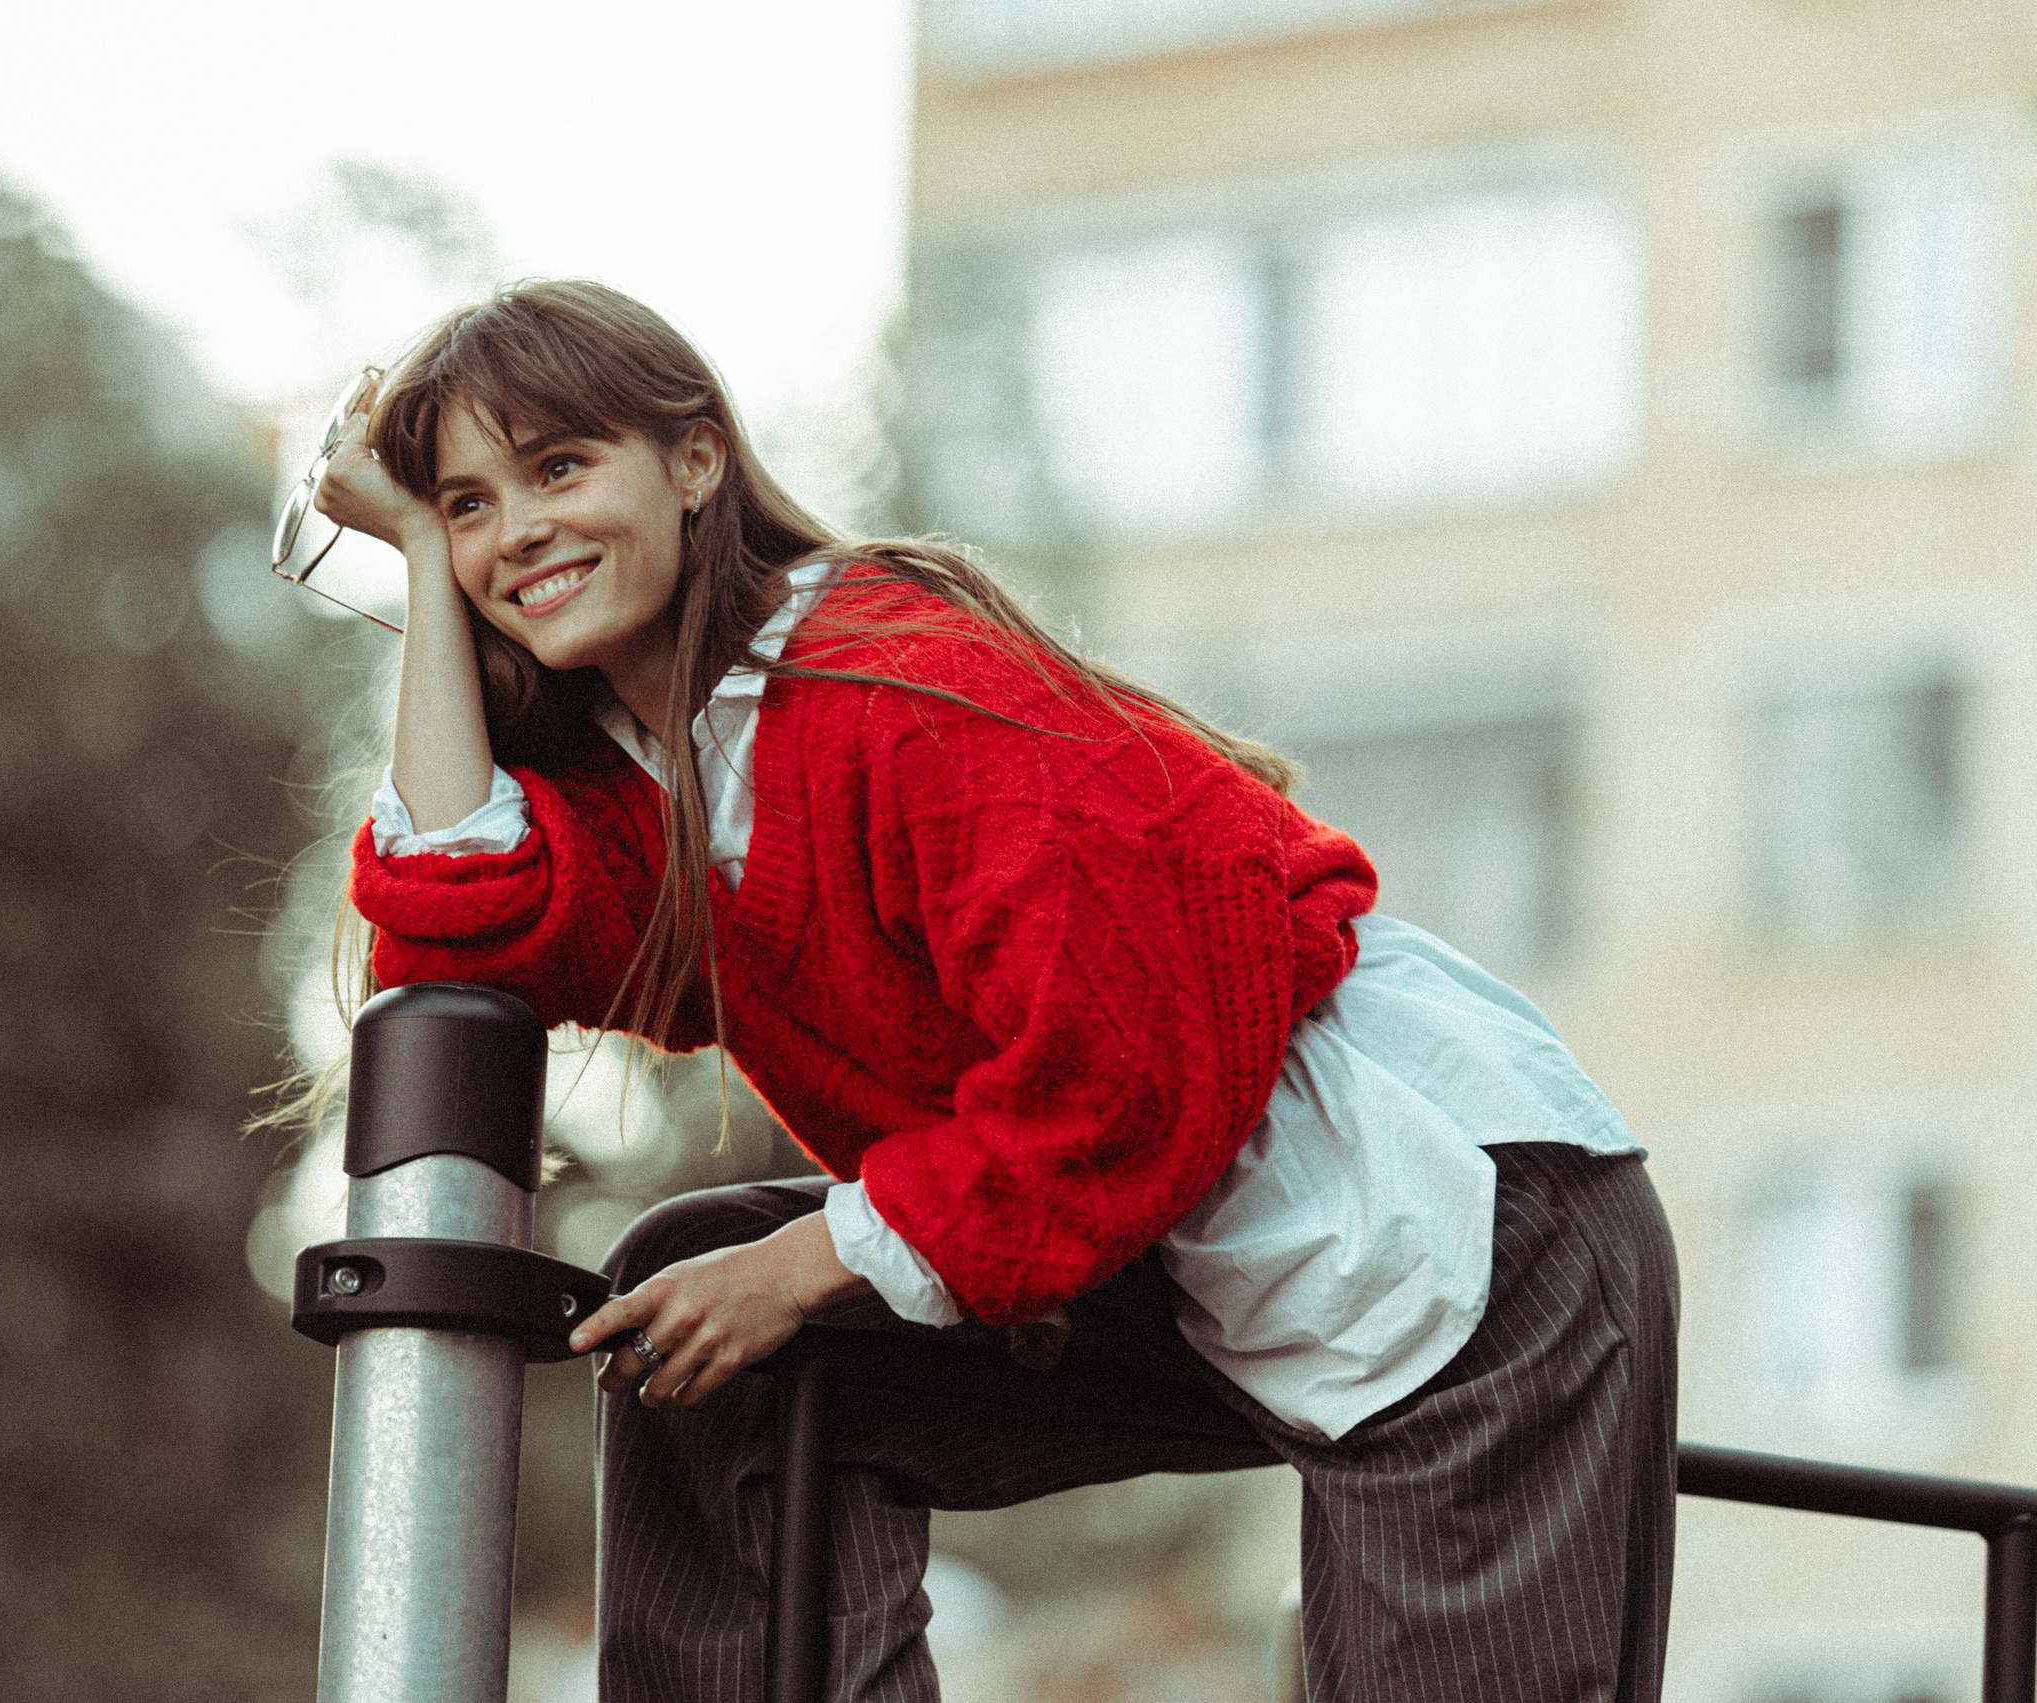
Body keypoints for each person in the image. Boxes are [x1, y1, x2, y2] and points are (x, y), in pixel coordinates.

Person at [308, 279, 1678, 1703]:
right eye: (468, 503)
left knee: (763, 1291)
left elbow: (1127, 1064)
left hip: (1442, 1222)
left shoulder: (899, 684)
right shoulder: (682, 784)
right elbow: (461, 926)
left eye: (558, 466)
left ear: (695, 460)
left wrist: (807, 1263)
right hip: (1162, 1236)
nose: (515, 528)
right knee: (710, 1336)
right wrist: (411, 554)